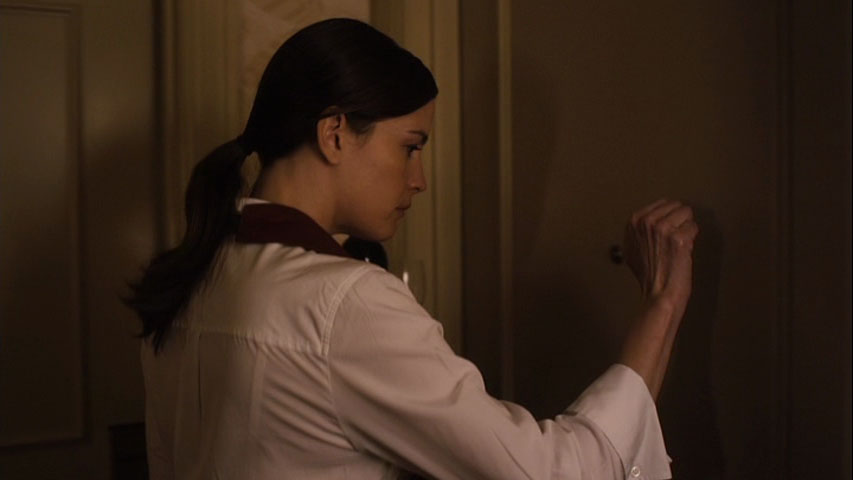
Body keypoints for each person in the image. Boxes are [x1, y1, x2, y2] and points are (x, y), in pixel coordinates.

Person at [126, 18, 698, 480]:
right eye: (410, 147)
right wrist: (663, 306)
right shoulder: (345, 305)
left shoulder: (191, 274)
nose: (418, 180)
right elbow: (552, 472)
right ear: (334, 134)